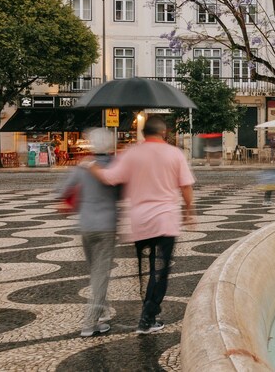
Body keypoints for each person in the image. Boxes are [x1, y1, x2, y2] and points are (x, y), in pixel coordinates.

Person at [84, 115, 196, 335]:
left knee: (144, 270)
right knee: (160, 271)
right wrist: (189, 210)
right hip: (165, 220)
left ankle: (147, 308)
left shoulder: (132, 153)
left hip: (140, 222)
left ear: (144, 133)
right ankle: (148, 316)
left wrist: (90, 165)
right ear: (163, 132)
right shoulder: (175, 154)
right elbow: (186, 186)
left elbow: (110, 178)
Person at [57, 128, 119, 337]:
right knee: (100, 275)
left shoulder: (83, 166)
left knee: (96, 273)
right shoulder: (114, 166)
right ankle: (90, 323)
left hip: (86, 226)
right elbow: (122, 192)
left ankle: (101, 315)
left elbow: (64, 191)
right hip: (107, 227)